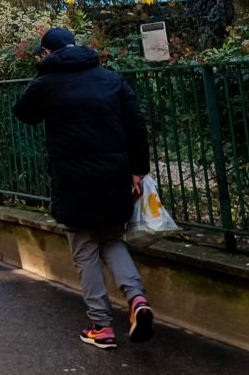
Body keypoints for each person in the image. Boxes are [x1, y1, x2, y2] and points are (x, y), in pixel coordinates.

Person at [12, 27, 155, 350]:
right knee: (112, 238)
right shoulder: (110, 78)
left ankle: (101, 326)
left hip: (72, 179)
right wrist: (138, 171)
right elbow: (136, 125)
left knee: (84, 249)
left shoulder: (47, 83)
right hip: (114, 175)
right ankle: (137, 299)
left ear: (47, 53)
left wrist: (42, 73)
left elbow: (23, 113)